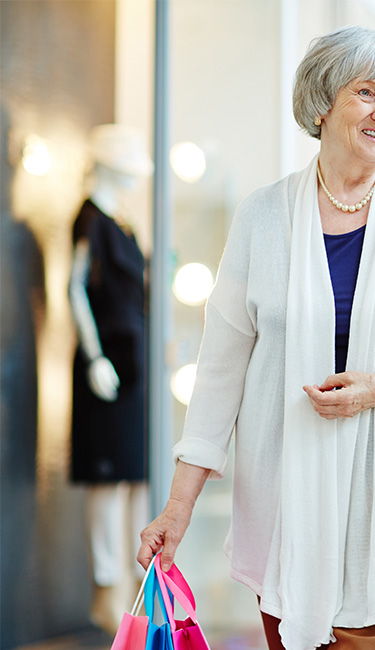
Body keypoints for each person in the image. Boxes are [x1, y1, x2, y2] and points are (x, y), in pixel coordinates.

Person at [137, 26, 375, 650]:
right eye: (366, 92)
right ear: (321, 103)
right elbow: (220, 371)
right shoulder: (263, 216)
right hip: (284, 509)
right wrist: (177, 507)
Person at [69, 123, 153, 635]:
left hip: (136, 360)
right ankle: (108, 584)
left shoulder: (125, 222)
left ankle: (141, 582)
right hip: (108, 363)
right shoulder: (90, 220)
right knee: (108, 475)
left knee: (135, 470)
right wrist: (93, 354)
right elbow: (76, 288)